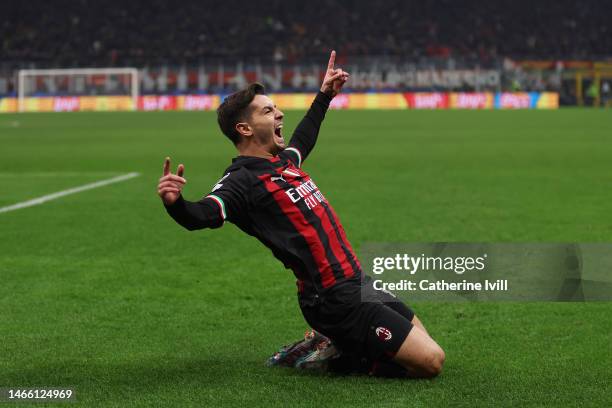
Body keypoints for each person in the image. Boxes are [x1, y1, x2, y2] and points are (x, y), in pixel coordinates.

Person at [157, 51, 445, 378]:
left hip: (357, 280)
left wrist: (325, 95)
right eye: (268, 110)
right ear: (245, 128)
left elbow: (304, 136)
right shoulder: (242, 181)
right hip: (333, 299)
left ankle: (336, 343)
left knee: (423, 340)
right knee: (431, 362)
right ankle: (340, 357)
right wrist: (176, 203)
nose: (279, 113)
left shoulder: (284, 163)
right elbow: (203, 215)